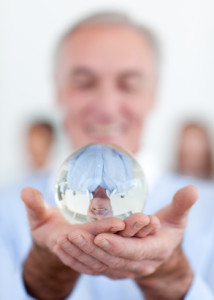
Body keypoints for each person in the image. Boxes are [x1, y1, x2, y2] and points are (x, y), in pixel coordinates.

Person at [1, 12, 214, 300]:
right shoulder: (6, 210)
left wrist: (175, 282)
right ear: (58, 89)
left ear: (154, 93)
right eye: (85, 83)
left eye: (128, 84)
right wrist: (41, 281)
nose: (106, 106)